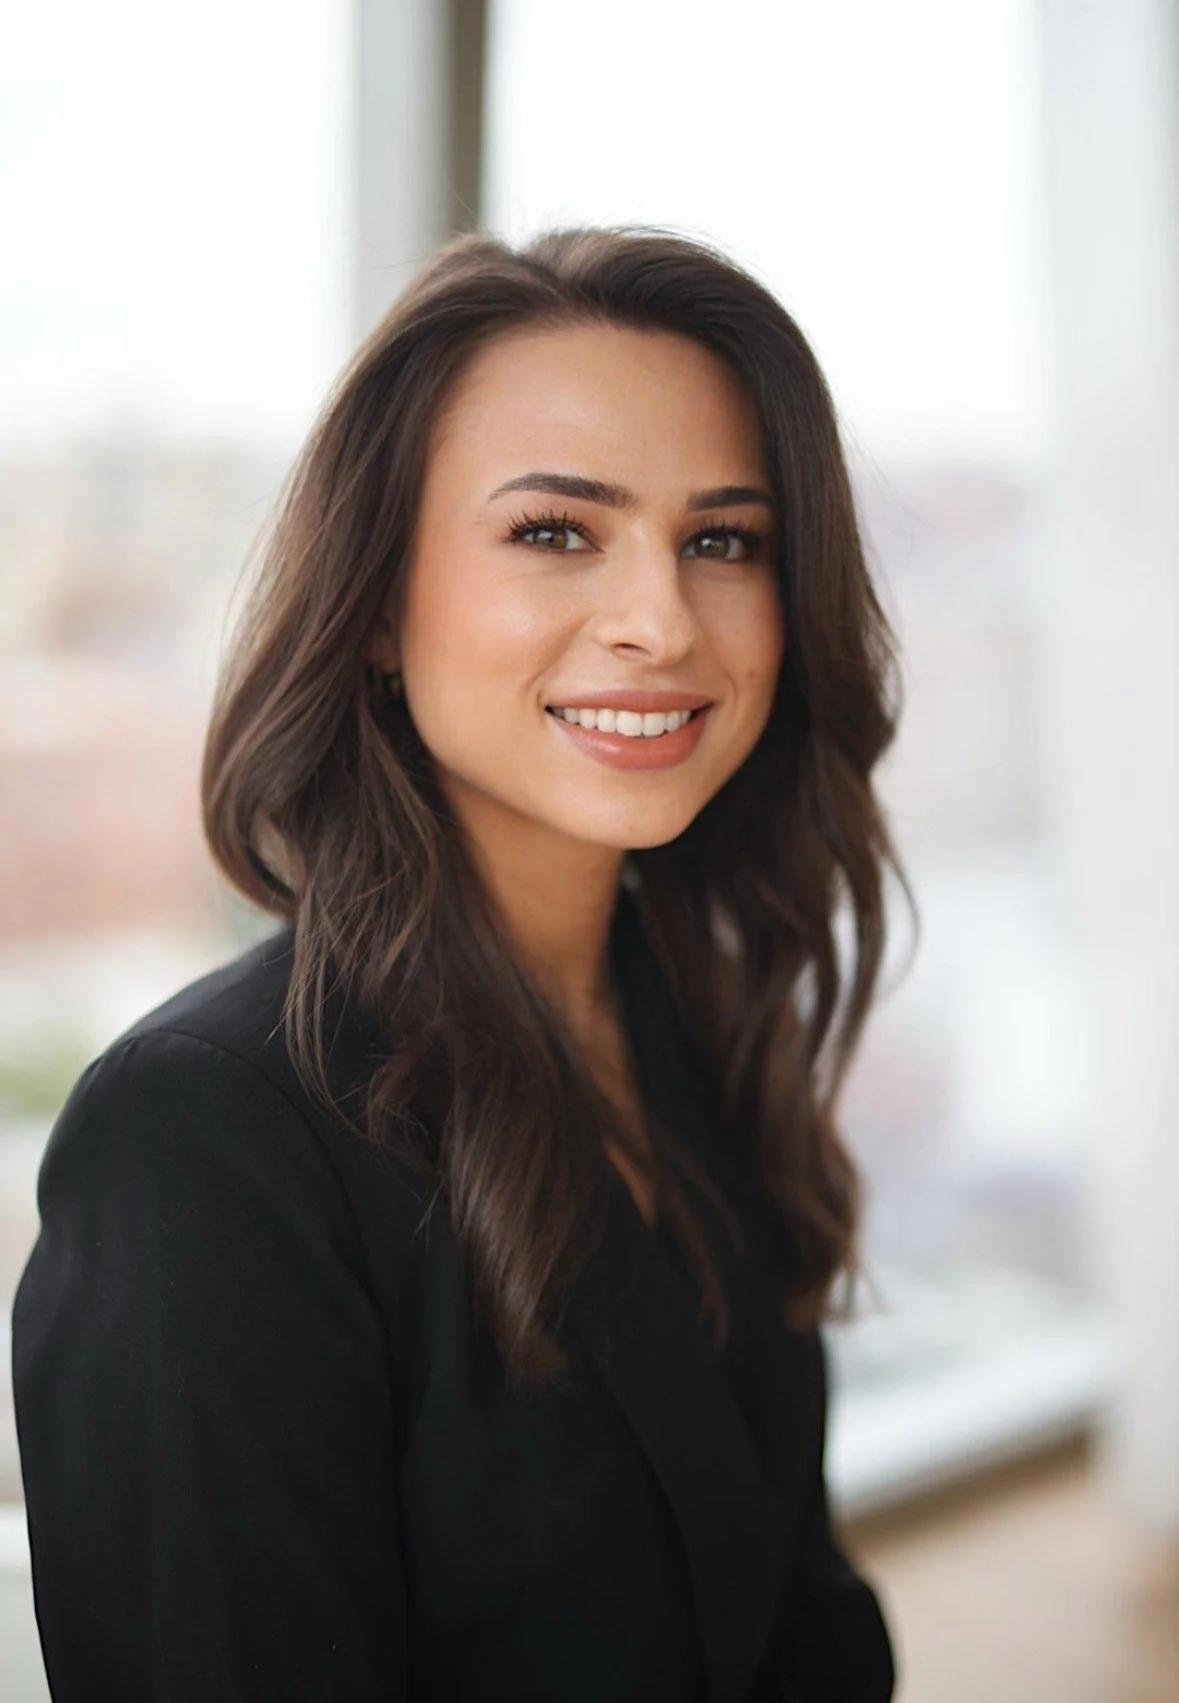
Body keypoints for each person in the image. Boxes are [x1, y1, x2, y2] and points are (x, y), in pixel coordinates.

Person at [11, 225, 913, 1701]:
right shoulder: (203, 1143)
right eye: (555, 529)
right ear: (375, 604)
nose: (659, 619)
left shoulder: (690, 1024)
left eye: (723, 539)